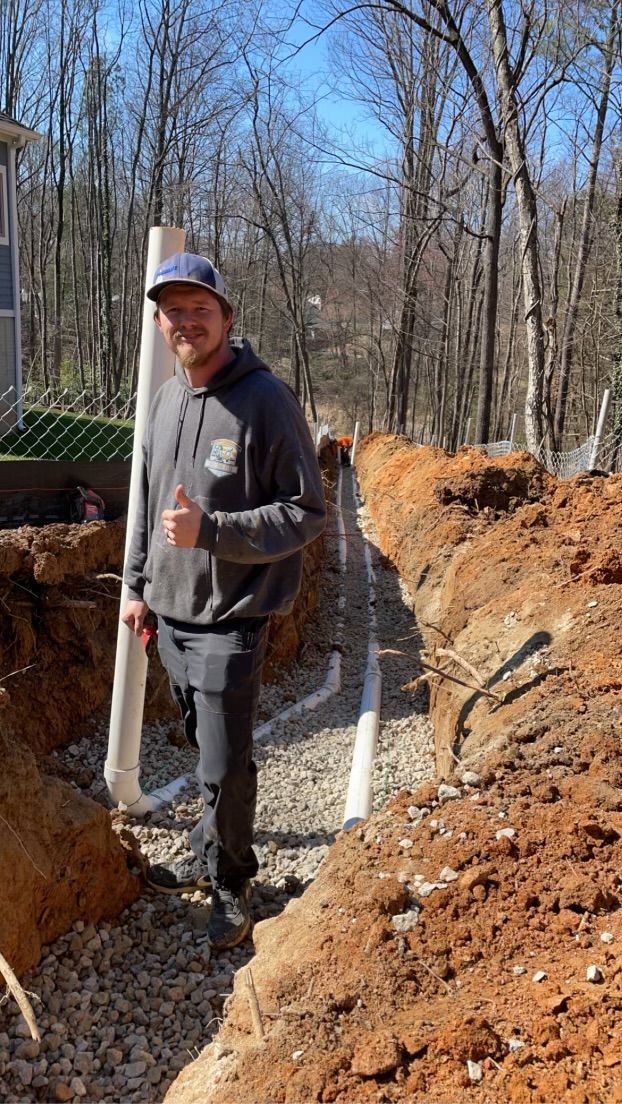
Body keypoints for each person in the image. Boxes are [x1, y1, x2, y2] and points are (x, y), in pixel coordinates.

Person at [122, 252, 326, 950]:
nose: (186, 322)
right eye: (173, 311)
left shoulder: (265, 400)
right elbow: (148, 505)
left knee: (224, 764)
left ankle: (233, 882)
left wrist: (213, 532)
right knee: (206, 748)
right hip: (170, 615)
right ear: (159, 324)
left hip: (231, 620)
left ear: (226, 318)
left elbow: (306, 511)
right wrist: (136, 586)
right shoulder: (168, 399)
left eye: (199, 309)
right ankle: (209, 847)